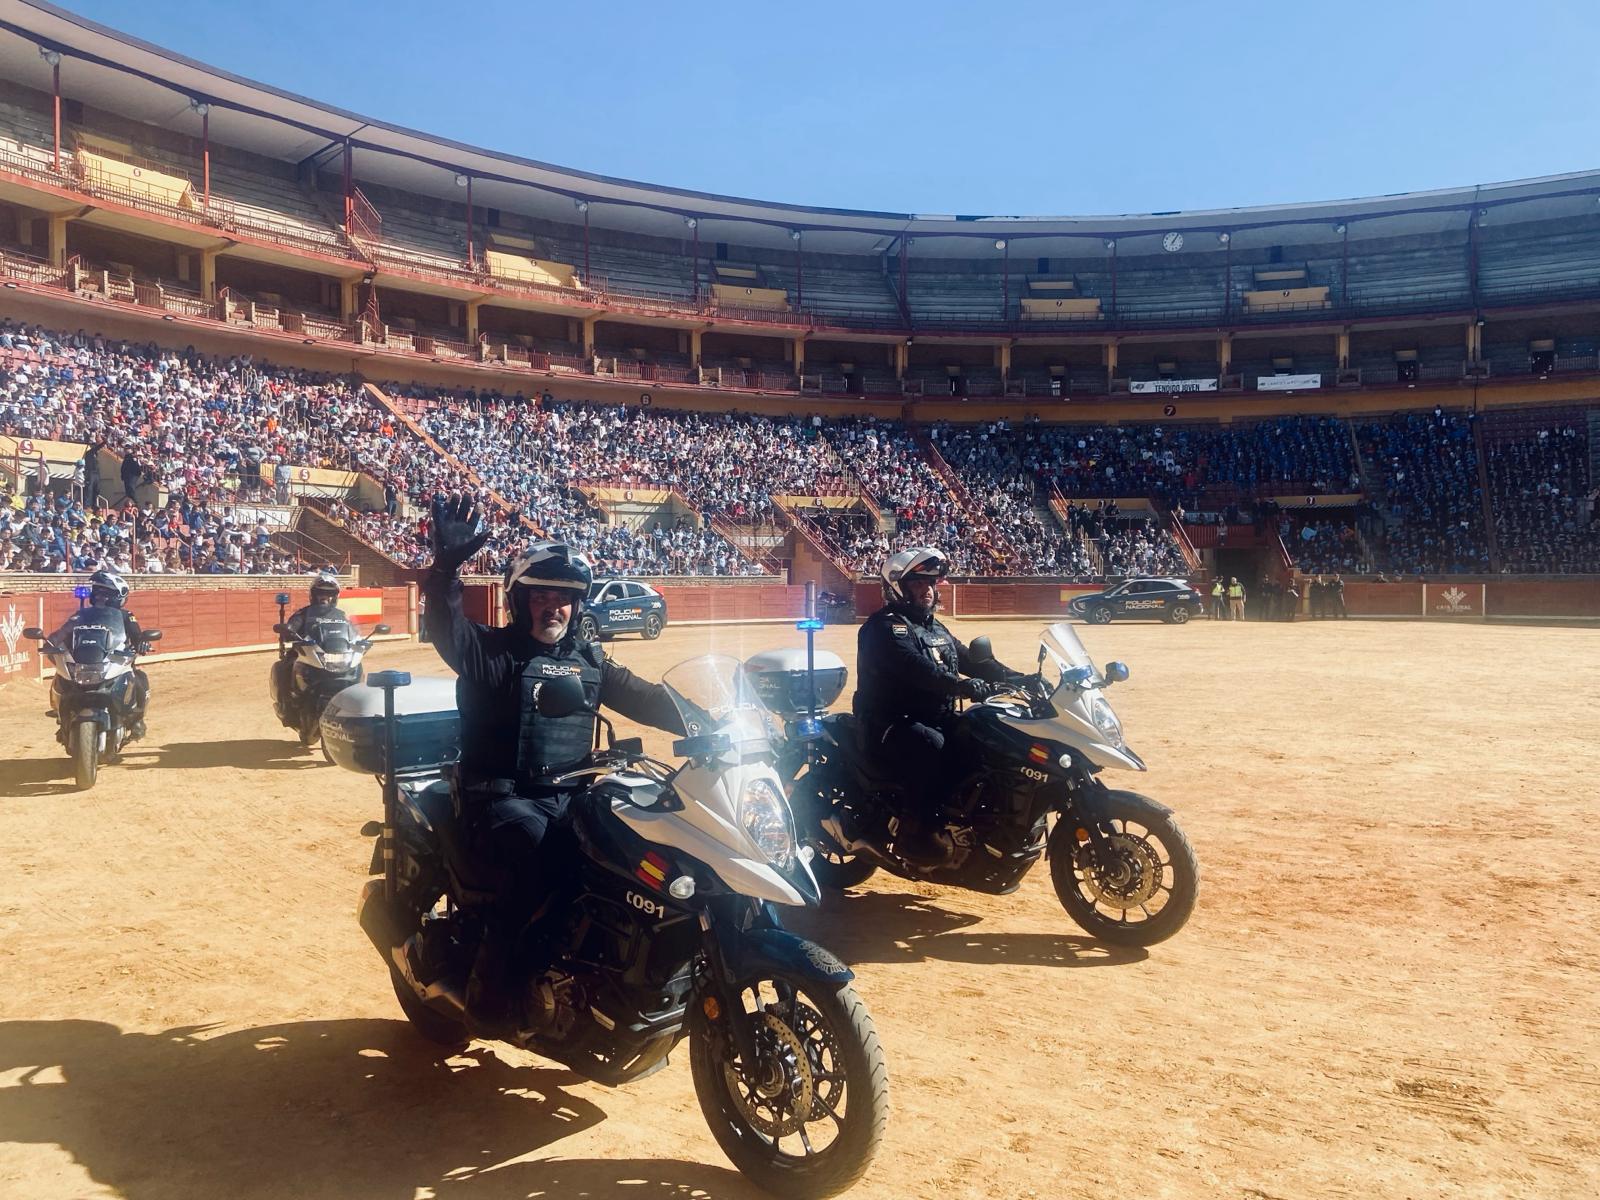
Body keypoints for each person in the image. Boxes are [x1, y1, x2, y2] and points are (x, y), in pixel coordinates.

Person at [421, 495, 685, 1036]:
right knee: (544, 858)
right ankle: (491, 997)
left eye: (564, 598)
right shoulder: (492, 653)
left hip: (571, 796)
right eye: (541, 595)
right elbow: (448, 630)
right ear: (520, 602)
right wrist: (444, 571)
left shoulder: (587, 660)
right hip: (499, 799)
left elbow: (645, 696)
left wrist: (711, 720)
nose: (553, 607)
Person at [853, 546, 1021, 866]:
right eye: (918, 583)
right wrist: (961, 686)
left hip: (933, 716)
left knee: (981, 737)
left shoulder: (935, 628)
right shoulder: (884, 627)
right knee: (931, 745)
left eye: (931, 583)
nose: (927, 590)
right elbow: (915, 668)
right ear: (897, 587)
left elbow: (972, 661)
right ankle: (917, 833)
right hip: (887, 722)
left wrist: (1020, 678)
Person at [48, 569, 150, 740]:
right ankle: (61, 713)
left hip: (116, 660)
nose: (100, 597)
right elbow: (63, 633)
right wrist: (52, 642)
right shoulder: (81, 615)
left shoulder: (126, 616)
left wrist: (142, 643)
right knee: (61, 677)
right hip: (85, 662)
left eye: (105, 594)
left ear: (117, 596)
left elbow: (136, 635)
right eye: (98, 593)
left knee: (140, 678)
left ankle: (137, 719)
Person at [274, 570, 352, 712]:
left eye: (329, 594)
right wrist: (289, 631)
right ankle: (286, 705)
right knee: (285, 666)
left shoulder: (341, 615)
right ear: (313, 595)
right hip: (306, 652)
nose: (324, 597)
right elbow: (291, 627)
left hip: (334, 653)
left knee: (355, 666)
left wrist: (359, 640)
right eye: (320, 593)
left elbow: (351, 631)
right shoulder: (303, 613)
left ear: (335, 596)